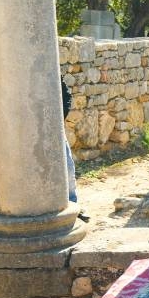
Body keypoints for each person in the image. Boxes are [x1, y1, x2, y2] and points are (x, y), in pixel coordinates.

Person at [61, 79, 89, 223]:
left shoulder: (46, 64)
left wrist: (59, 117)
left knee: (68, 169)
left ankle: (73, 206)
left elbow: (65, 94)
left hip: (54, 126)